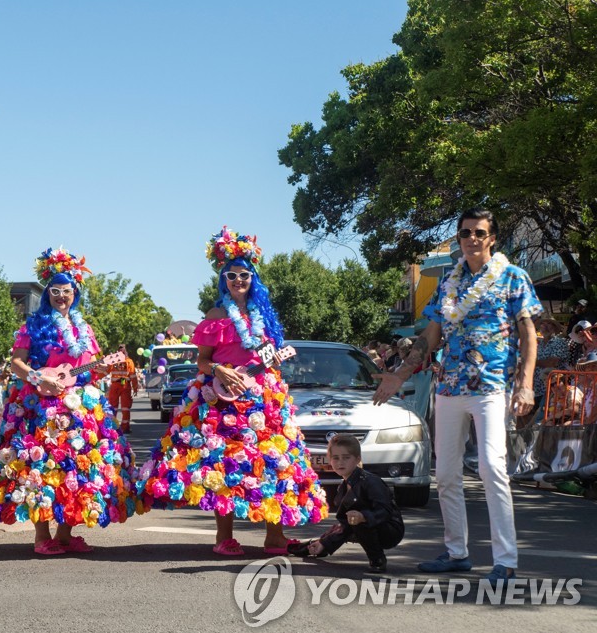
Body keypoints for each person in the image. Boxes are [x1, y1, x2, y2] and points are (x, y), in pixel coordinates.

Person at [373, 208, 542, 587]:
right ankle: (456, 552)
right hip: (449, 387)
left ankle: (506, 559)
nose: (471, 238)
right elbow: (430, 336)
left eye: (479, 233)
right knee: (446, 474)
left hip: (491, 386)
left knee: (491, 468)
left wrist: (526, 383)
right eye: (465, 232)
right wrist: (399, 374)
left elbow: (529, 334)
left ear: (492, 238)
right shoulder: (449, 281)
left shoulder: (513, 277)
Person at [137, 227, 328, 556]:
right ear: (223, 280)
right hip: (221, 400)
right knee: (223, 466)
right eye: (232, 276)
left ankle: (275, 536)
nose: (239, 280)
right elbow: (202, 360)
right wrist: (221, 369)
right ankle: (224, 537)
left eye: (244, 275)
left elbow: (271, 359)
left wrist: (274, 364)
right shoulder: (216, 316)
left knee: (273, 464)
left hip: (262, 399)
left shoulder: (265, 317)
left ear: (253, 278)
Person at [0, 247, 145, 555]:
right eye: (55, 291)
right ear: (48, 293)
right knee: (38, 469)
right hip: (39, 406)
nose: (61, 297)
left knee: (74, 471)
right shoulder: (34, 324)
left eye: (66, 291)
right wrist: (39, 377)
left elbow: (90, 369)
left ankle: (65, 536)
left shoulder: (84, 328)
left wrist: (104, 368)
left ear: (75, 292)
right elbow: (16, 362)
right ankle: (42, 537)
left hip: (79, 408)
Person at [289, 434, 404, 573]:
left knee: (356, 519)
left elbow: (385, 511)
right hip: (367, 525)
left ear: (358, 459)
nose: (340, 462)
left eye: (346, 457)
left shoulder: (371, 481)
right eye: (336, 458)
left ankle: (377, 559)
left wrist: (364, 517)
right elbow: (345, 524)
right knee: (352, 519)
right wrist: (323, 544)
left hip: (390, 529)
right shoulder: (343, 486)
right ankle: (320, 546)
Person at [104, 344, 138, 434]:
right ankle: (124, 428)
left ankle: (112, 427)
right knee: (125, 408)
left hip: (117, 385)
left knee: (113, 407)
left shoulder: (114, 360)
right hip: (124, 384)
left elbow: (105, 370)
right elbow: (133, 376)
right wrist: (135, 388)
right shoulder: (129, 361)